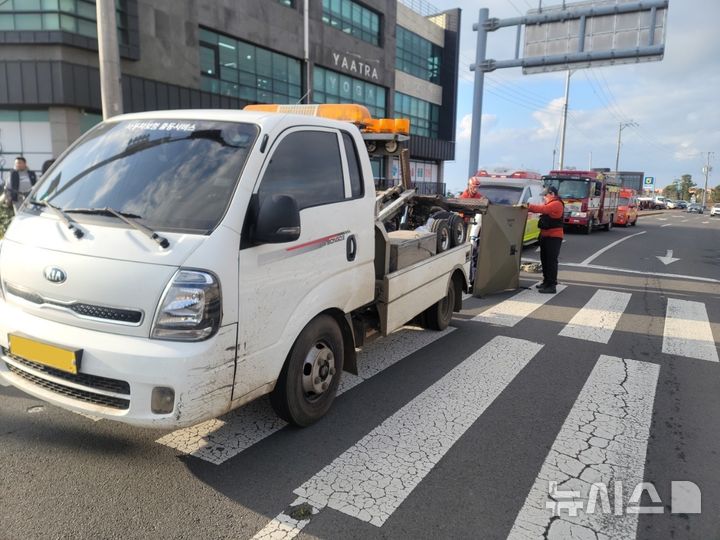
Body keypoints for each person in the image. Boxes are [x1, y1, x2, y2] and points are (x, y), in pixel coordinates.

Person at [527, 185, 564, 294]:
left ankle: (552, 285)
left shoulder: (557, 204)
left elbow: (543, 209)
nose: (544, 198)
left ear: (552, 194)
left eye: (545, 195)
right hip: (546, 236)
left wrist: (527, 206)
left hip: (554, 237)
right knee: (544, 260)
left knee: (551, 261)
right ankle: (546, 281)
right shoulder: (550, 202)